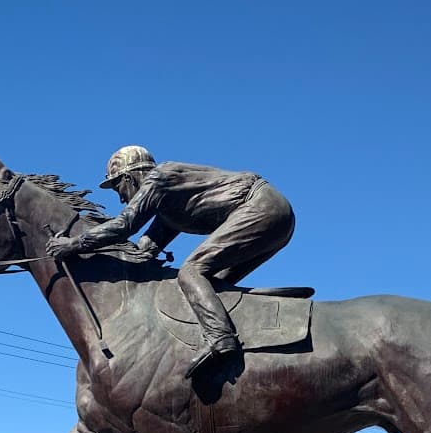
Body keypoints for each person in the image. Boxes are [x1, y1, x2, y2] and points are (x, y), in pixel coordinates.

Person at [47, 146, 295, 377]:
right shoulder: (169, 205)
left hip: (262, 208)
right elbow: (143, 249)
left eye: (118, 189)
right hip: (276, 214)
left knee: (190, 272)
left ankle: (221, 339)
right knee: (212, 287)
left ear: (129, 178)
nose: (121, 198)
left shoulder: (159, 179)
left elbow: (123, 226)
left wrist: (74, 244)